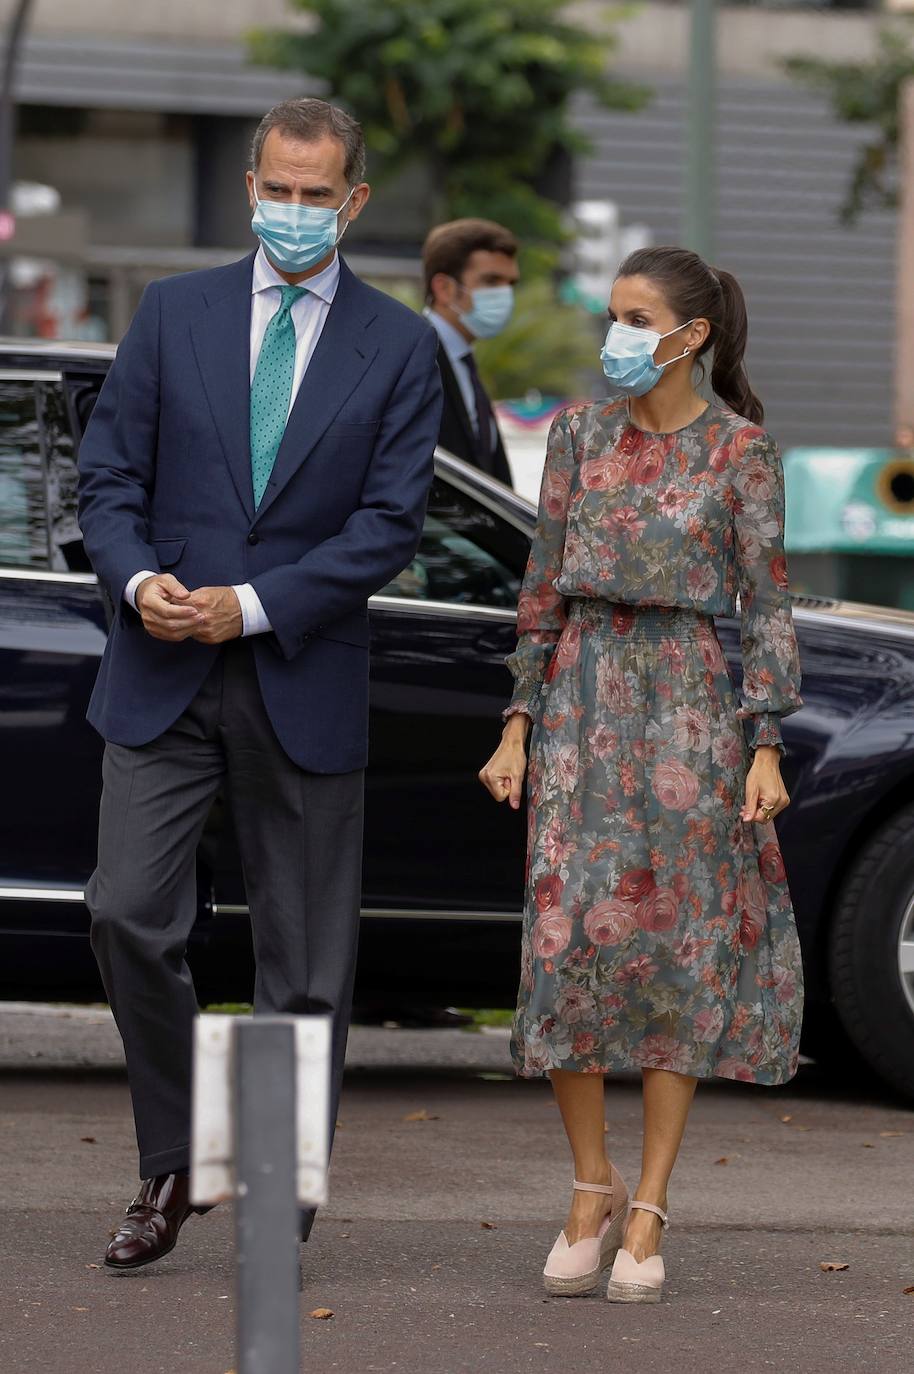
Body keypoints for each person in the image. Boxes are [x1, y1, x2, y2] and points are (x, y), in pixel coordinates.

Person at [77, 97, 442, 1271]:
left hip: (298, 672)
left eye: (312, 194)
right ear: (248, 186)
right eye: (273, 190)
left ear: (352, 201)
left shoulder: (397, 345)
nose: (290, 212)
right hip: (162, 669)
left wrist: (257, 602)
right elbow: (105, 482)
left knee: (301, 960)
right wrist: (139, 586)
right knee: (125, 913)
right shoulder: (171, 312)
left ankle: (276, 1188)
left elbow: (390, 524)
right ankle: (175, 1158)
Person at [479, 246, 804, 1305]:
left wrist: (764, 743)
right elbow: (537, 591)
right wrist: (515, 725)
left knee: (680, 953)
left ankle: (651, 1201)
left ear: (689, 335)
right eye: (609, 314)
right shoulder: (574, 435)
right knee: (566, 942)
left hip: (690, 714)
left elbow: (764, 606)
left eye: (632, 316)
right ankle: (589, 1184)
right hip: (579, 704)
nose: (613, 334)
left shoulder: (739, 454)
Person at [423, 218, 519, 487]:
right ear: (444, 288)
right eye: (491, 281)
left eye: (511, 283)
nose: (505, 294)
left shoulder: (464, 362)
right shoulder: (411, 358)